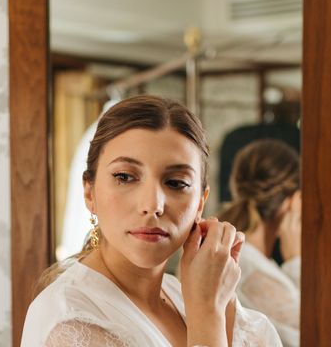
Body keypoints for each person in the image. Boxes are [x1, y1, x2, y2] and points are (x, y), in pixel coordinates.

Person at [21, 95, 281, 346]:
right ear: (89, 193)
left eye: (176, 183)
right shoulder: (72, 322)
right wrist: (207, 312)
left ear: (200, 203)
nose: (152, 205)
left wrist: (223, 302)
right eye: (125, 177)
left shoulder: (182, 293)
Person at [218, 139, 301, 347]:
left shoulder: (250, 257)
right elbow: (314, 332)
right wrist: (296, 262)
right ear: (293, 199)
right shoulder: (248, 264)